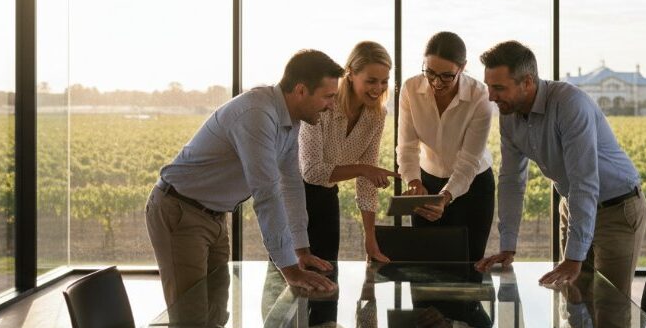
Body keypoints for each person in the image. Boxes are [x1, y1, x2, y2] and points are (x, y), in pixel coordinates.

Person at [146, 49, 341, 306]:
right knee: (190, 317)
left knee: (217, 312)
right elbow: (267, 194)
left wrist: (300, 250)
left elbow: (291, 185)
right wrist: (290, 270)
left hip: (214, 216)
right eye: (328, 96)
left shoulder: (291, 119)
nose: (332, 106)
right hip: (181, 211)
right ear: (301, 90)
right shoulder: (257, 114)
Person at [475, 41, 646, 297]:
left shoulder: (570, 104)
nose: (491, 96)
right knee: (573, 302)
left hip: (616, 210)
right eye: (489, 86)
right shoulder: (508, 115)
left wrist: (574, 257)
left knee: (611, 307)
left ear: (527, 82)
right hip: (573, 205)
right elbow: (511, 181)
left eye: (499, 88)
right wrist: (508, 246)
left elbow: (584, 181)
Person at [397, 31, 494, 261]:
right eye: (430, 72)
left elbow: (469, 160)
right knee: (425, 265)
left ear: (463, 67)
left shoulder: (480, 95)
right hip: (426, 183)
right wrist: (413, 182)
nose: (436, 82)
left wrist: (446, 196)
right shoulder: (410, 89)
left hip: (473, 186)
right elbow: (407, 147)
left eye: (446, 76)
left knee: (468, 265)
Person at [299, 41, 398, 262]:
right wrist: (363, 169)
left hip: (327, 197)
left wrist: (370, 238)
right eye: (371, 81)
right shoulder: (323, 104)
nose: (378, 88)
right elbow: (311, 172)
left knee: (328, 274)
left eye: (384, 81)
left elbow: (366, 182)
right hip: (293, 196)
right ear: (351, 73)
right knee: (287, 279)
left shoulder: (377, 116)